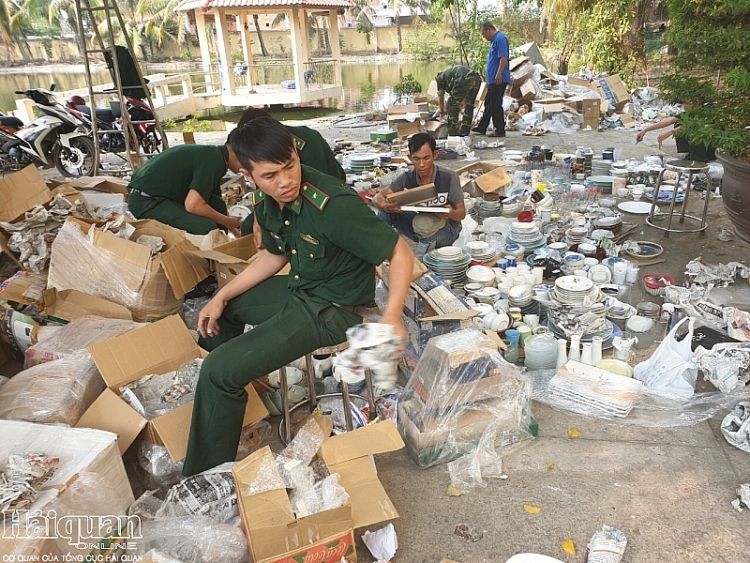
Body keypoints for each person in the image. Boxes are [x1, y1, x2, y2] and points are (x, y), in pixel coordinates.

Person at [183, 117, 414, 476]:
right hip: (302, 290)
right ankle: (219, 409)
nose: (285, 181)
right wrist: (221, 295)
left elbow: (400, 253)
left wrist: (393, 315)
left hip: (333, 310)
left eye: (289, 166)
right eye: (270, 176)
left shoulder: (333, 203)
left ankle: (207, 479)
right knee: (226, 310)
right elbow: (274, 255)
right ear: (249, 176)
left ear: (295, 151)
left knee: (217, 371)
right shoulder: (266, 199)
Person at [236, 108, 346, 242]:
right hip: (289, 192)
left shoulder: (308, 140)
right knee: (250, 225)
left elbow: (318, 184)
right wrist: (259, 220)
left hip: (317, 190)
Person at [372, 133, 466, 261]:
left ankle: (421, 261)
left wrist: (450, 213)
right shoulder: (407, 178)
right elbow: (377, 197)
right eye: (416, 159)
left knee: (425, 225)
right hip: (419, 226)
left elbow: (461, 213)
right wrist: (385, 206)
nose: (421, 164)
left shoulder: (448, 177)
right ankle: (378, 254)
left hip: (447, 230)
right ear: (410, 157)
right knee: (385, 214)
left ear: (435, 155)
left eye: (426, 158)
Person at [127, 139, 243, 236]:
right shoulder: (213, 160)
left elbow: (212, 202)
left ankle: (227, 247)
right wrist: (228, 221)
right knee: (207, 229)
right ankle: (211, 260)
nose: (247, 170)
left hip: (161, 194)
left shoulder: (215, 155)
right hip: (146, 201)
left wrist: (236, 233)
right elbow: (193, 205)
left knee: (218, 205)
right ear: (239, 154)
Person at [472, 21, 510, 138]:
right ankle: (482, 127)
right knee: (488, 103)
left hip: (499, 79)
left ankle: (499, 129)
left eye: (484, 34)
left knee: (495, 104)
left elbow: (503, 58)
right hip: (493, 80)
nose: (484, 36)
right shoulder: (494, 41)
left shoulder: (500, 39)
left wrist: (499, 74)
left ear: (489, 29)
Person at [635, 112, 716, 162]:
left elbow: (692, 125)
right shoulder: (690, 111)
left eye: (686, 103)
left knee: (692, 131)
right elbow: (670, 120)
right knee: (678, 123)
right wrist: (645, 130)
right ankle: (691, 154)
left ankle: (699, 159)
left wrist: (669, 133)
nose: (684, 106)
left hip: (711, 147)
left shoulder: (706, 110)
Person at [435, 65, 483, 136]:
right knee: (469, 105)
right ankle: (465, 132)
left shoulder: (439, 79)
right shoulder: (448, 75)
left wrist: (441, 111)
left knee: (452, 105)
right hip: (476, 78)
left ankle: (453, 133)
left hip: (464, 79)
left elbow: (441, 97)